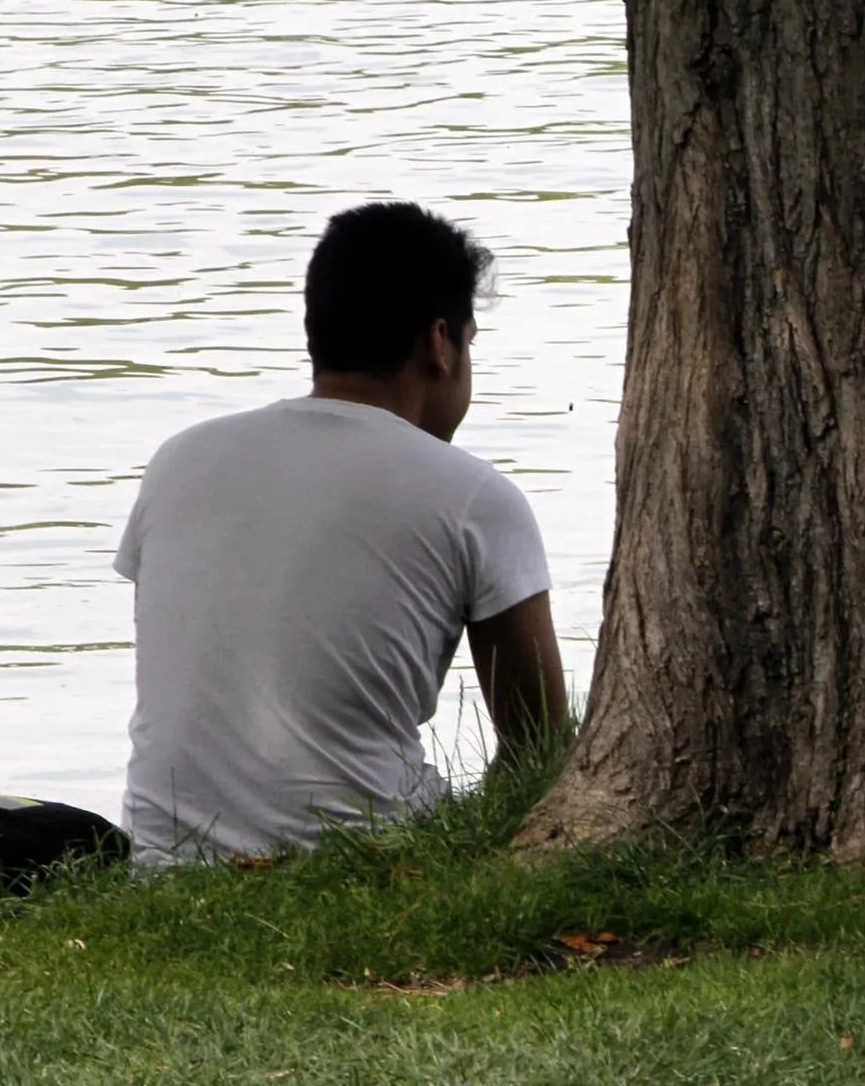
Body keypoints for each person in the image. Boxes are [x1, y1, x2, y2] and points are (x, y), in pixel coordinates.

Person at [113, 201, 570, 868]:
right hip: (372, 858)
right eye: (471, 344)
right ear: (440, 344)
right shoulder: (475, 496)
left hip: (165, 862)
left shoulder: (179, 461)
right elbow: (539, 748)